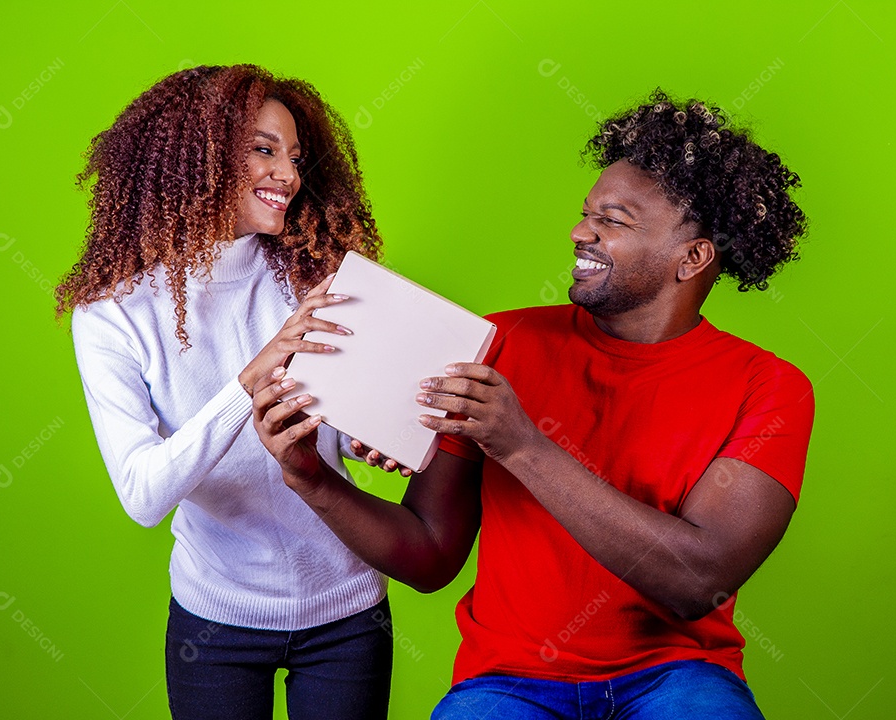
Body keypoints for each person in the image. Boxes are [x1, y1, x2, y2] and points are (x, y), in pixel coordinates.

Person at [252, 89, 814, 719]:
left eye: (615, 221)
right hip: (509, 681)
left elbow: (695, 582)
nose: (582, 232)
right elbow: (432, 554)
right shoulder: (500, 343)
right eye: (587, 213)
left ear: (692, 258)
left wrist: (520, 444)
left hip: (677, 677)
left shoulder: (768, 387)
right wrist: (310, 477)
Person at [56, 64, 396, 720]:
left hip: (349, 612)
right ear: (196, 157)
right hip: (215, 624)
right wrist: (254, 376)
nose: (289, 176)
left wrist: (367, 434)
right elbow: (144, 495)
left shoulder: (315, 274)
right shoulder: (113, 315)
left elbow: (337, 432)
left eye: (295, 157)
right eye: (264, 151)